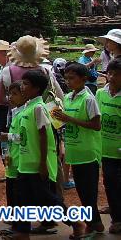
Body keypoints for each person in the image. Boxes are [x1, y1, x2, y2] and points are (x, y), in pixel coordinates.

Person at [14, 69, 89, 240]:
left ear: (37, 89)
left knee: (47, 197)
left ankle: (76, 223)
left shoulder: (39, 108)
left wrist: (42, 164)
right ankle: (23, 232)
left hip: (36, 163)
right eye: (22, 83)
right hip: (25, 162)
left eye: (26, 84)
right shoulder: (27, 107)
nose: (22, 87)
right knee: (23, 197)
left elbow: (42, 135)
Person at [53, 62, 103, 234]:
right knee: (82, 191)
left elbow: (96, 125)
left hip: (88, 152)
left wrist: (69, 119)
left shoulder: (89, 99)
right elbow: (64, 121)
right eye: (66, 78)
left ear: (83, 79)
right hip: (74, 152)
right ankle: (94, 224)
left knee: (89, 192)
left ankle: (94, 225)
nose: (68, 81)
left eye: (72, 78)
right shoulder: (68, 98)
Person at [0, 81, 26, 237]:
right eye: (9, 94)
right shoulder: (14, 112)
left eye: (15, 94)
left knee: (19, 194)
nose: (10, 97)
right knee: (12, 192)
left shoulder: (26, 112)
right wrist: (6, 155)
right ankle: (15, 225)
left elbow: (25, 137)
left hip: (22, 160)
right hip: (12, 159)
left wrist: (7, 136)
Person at [96, 56, 121, 234]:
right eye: (110, 73)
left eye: (117, 75)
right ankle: (117, 219)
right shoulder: (100, 93)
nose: (112, 77)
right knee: (110, 183)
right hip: (106, 149)